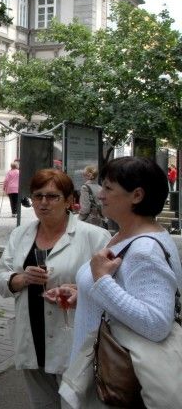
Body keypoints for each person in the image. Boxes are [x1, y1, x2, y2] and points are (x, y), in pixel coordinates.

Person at [52, 157, 182, 393]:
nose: (100, 195)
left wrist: (102, 282)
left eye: (108, 188)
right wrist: (85, 295)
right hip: (101, 371)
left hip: (112, 381)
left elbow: (156, 324)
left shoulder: (145, 250)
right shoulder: (128, 235)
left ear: (137, 196)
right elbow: (126, 293)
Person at [0, 168, 110, 409]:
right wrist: (21, 278)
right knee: (42, 405)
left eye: (52, 196)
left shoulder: (94, 236)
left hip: (74, 341)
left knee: (75, 404)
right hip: (32, 339)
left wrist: (80, 291)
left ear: (69, 201)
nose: (43, 202)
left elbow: (110, 288)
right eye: (37, 196)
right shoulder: (21, 234)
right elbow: (1, 277)